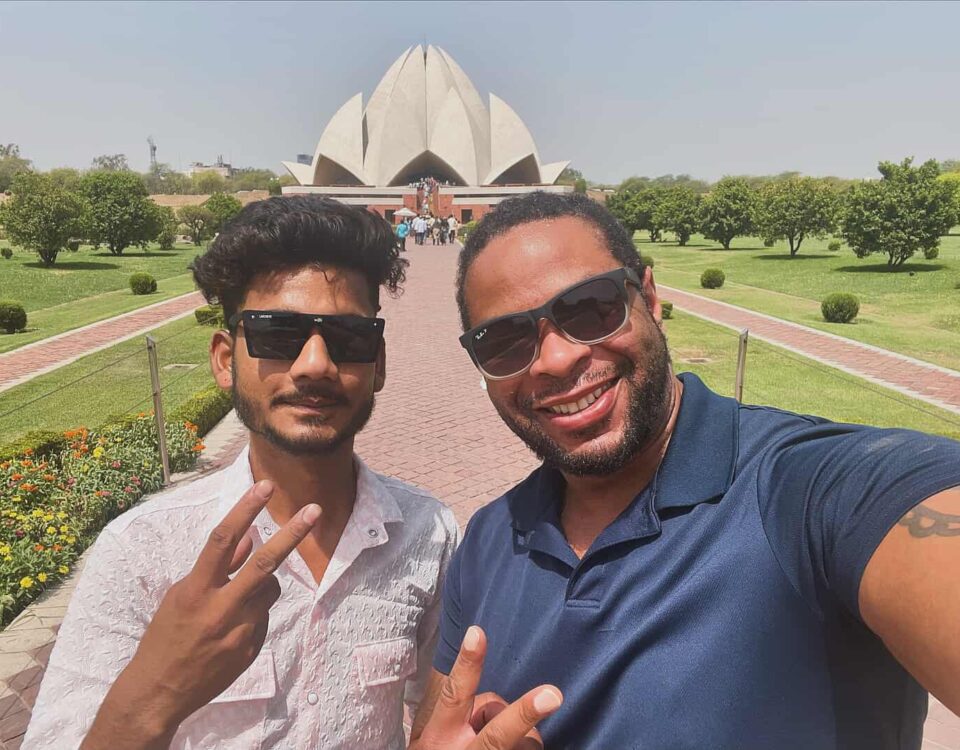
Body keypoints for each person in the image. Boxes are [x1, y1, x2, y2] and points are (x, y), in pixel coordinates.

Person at [411, 192, 960, 749]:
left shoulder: (806, 491)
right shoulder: (488, 540)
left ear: (649, 299)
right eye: (503, 341)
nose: (555, 359)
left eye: (589, 308)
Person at [23, 196, 469, 749]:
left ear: (377, 364)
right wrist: (156, 694)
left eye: (349, 338)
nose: (315, 364)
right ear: (223, 359)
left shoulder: (431, 534)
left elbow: (436, 716)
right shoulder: (144, 549)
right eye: (277, 334)